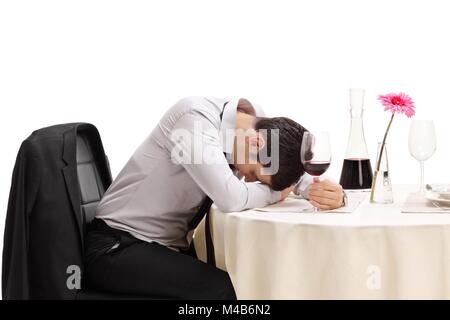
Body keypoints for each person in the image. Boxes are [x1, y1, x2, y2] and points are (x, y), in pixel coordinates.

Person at [84, 97, 344, 299]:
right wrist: (278, 192)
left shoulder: (255, 126)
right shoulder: (193, 121)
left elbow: (282, 169)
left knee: (250, 279)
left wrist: (319, 190)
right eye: (253, 174)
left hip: (161, 247)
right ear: (255, 144)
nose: (249, 181)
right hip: (116, 247)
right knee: (221, 291)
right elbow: (230, 197)